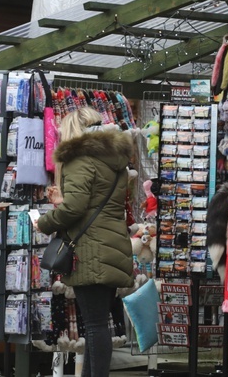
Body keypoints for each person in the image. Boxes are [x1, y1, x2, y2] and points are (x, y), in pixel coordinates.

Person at [37, 107, 134, 377]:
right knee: (98, 323)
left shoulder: (80, 160)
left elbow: (75, 209)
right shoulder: (114, 160)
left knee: (94, 325)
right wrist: (63, 202)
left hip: (90, 249)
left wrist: (44, 222)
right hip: (111, 245)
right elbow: (95, 203)